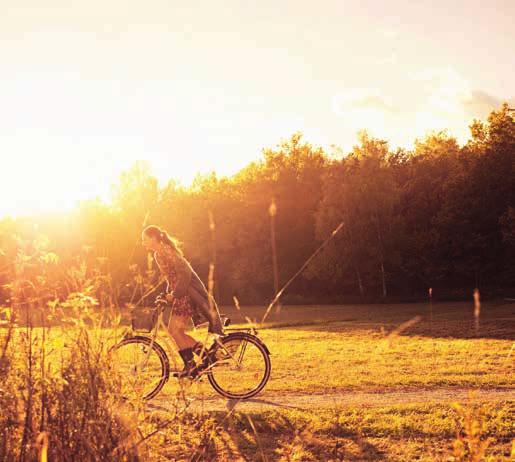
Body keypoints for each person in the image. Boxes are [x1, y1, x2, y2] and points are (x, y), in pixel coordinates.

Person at [141, 224, 224, 378]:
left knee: (174, 330)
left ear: (153, 238)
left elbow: (185, 274)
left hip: (187, 295)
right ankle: (194, 363)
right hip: (181, 295)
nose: (143, 242)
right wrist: (167, 294)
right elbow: (172, 278)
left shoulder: (166, 251)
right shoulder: (158, 255)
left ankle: (202, 359)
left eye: (144, 239)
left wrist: (175, 294)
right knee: (176, 331)